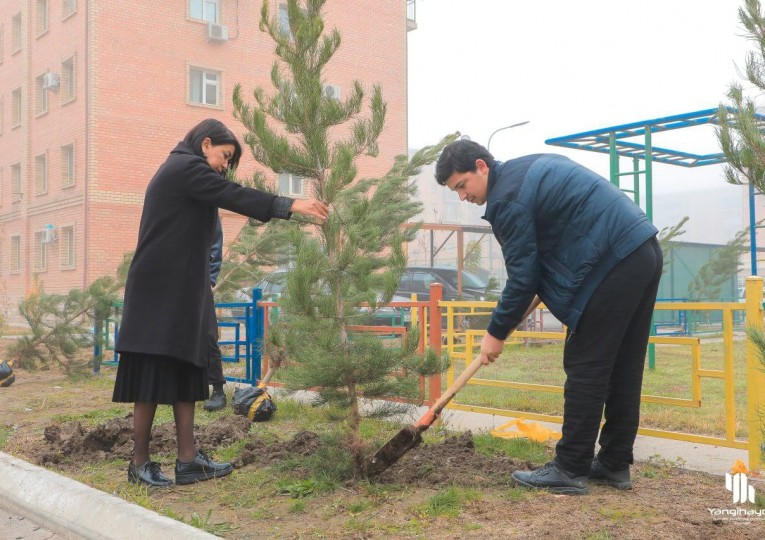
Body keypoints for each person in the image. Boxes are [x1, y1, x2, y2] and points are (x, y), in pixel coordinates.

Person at [435, 140, 662, 495]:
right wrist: (509, 321)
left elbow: (524, 277)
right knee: (623, 367)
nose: (463, 197)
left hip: (613, 260)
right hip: (642, 250)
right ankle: (615, 463)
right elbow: (542, 260)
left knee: (586, 364)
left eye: (462, 185)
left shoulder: (506, 198)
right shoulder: (524, 171)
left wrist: (495, 332)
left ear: (481, 166)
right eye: (455, 192)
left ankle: (570, 468)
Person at [113, 118, 328, 487]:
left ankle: (188, 460)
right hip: (158, 289)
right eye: (225, 156)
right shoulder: (184, 167)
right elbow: (236, 195)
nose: (225, 166)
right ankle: (140, 464)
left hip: (181, 288)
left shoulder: (190, 174)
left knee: (186, 367)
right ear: (206, 143)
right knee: (150, 371)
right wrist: (290, 204)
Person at [203, 214, 227, 412]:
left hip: (198, 282)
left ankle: (218, 391)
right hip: (173, 281)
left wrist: (210, 279)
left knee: (208, 336)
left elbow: (215, 244)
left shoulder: (207, 209)